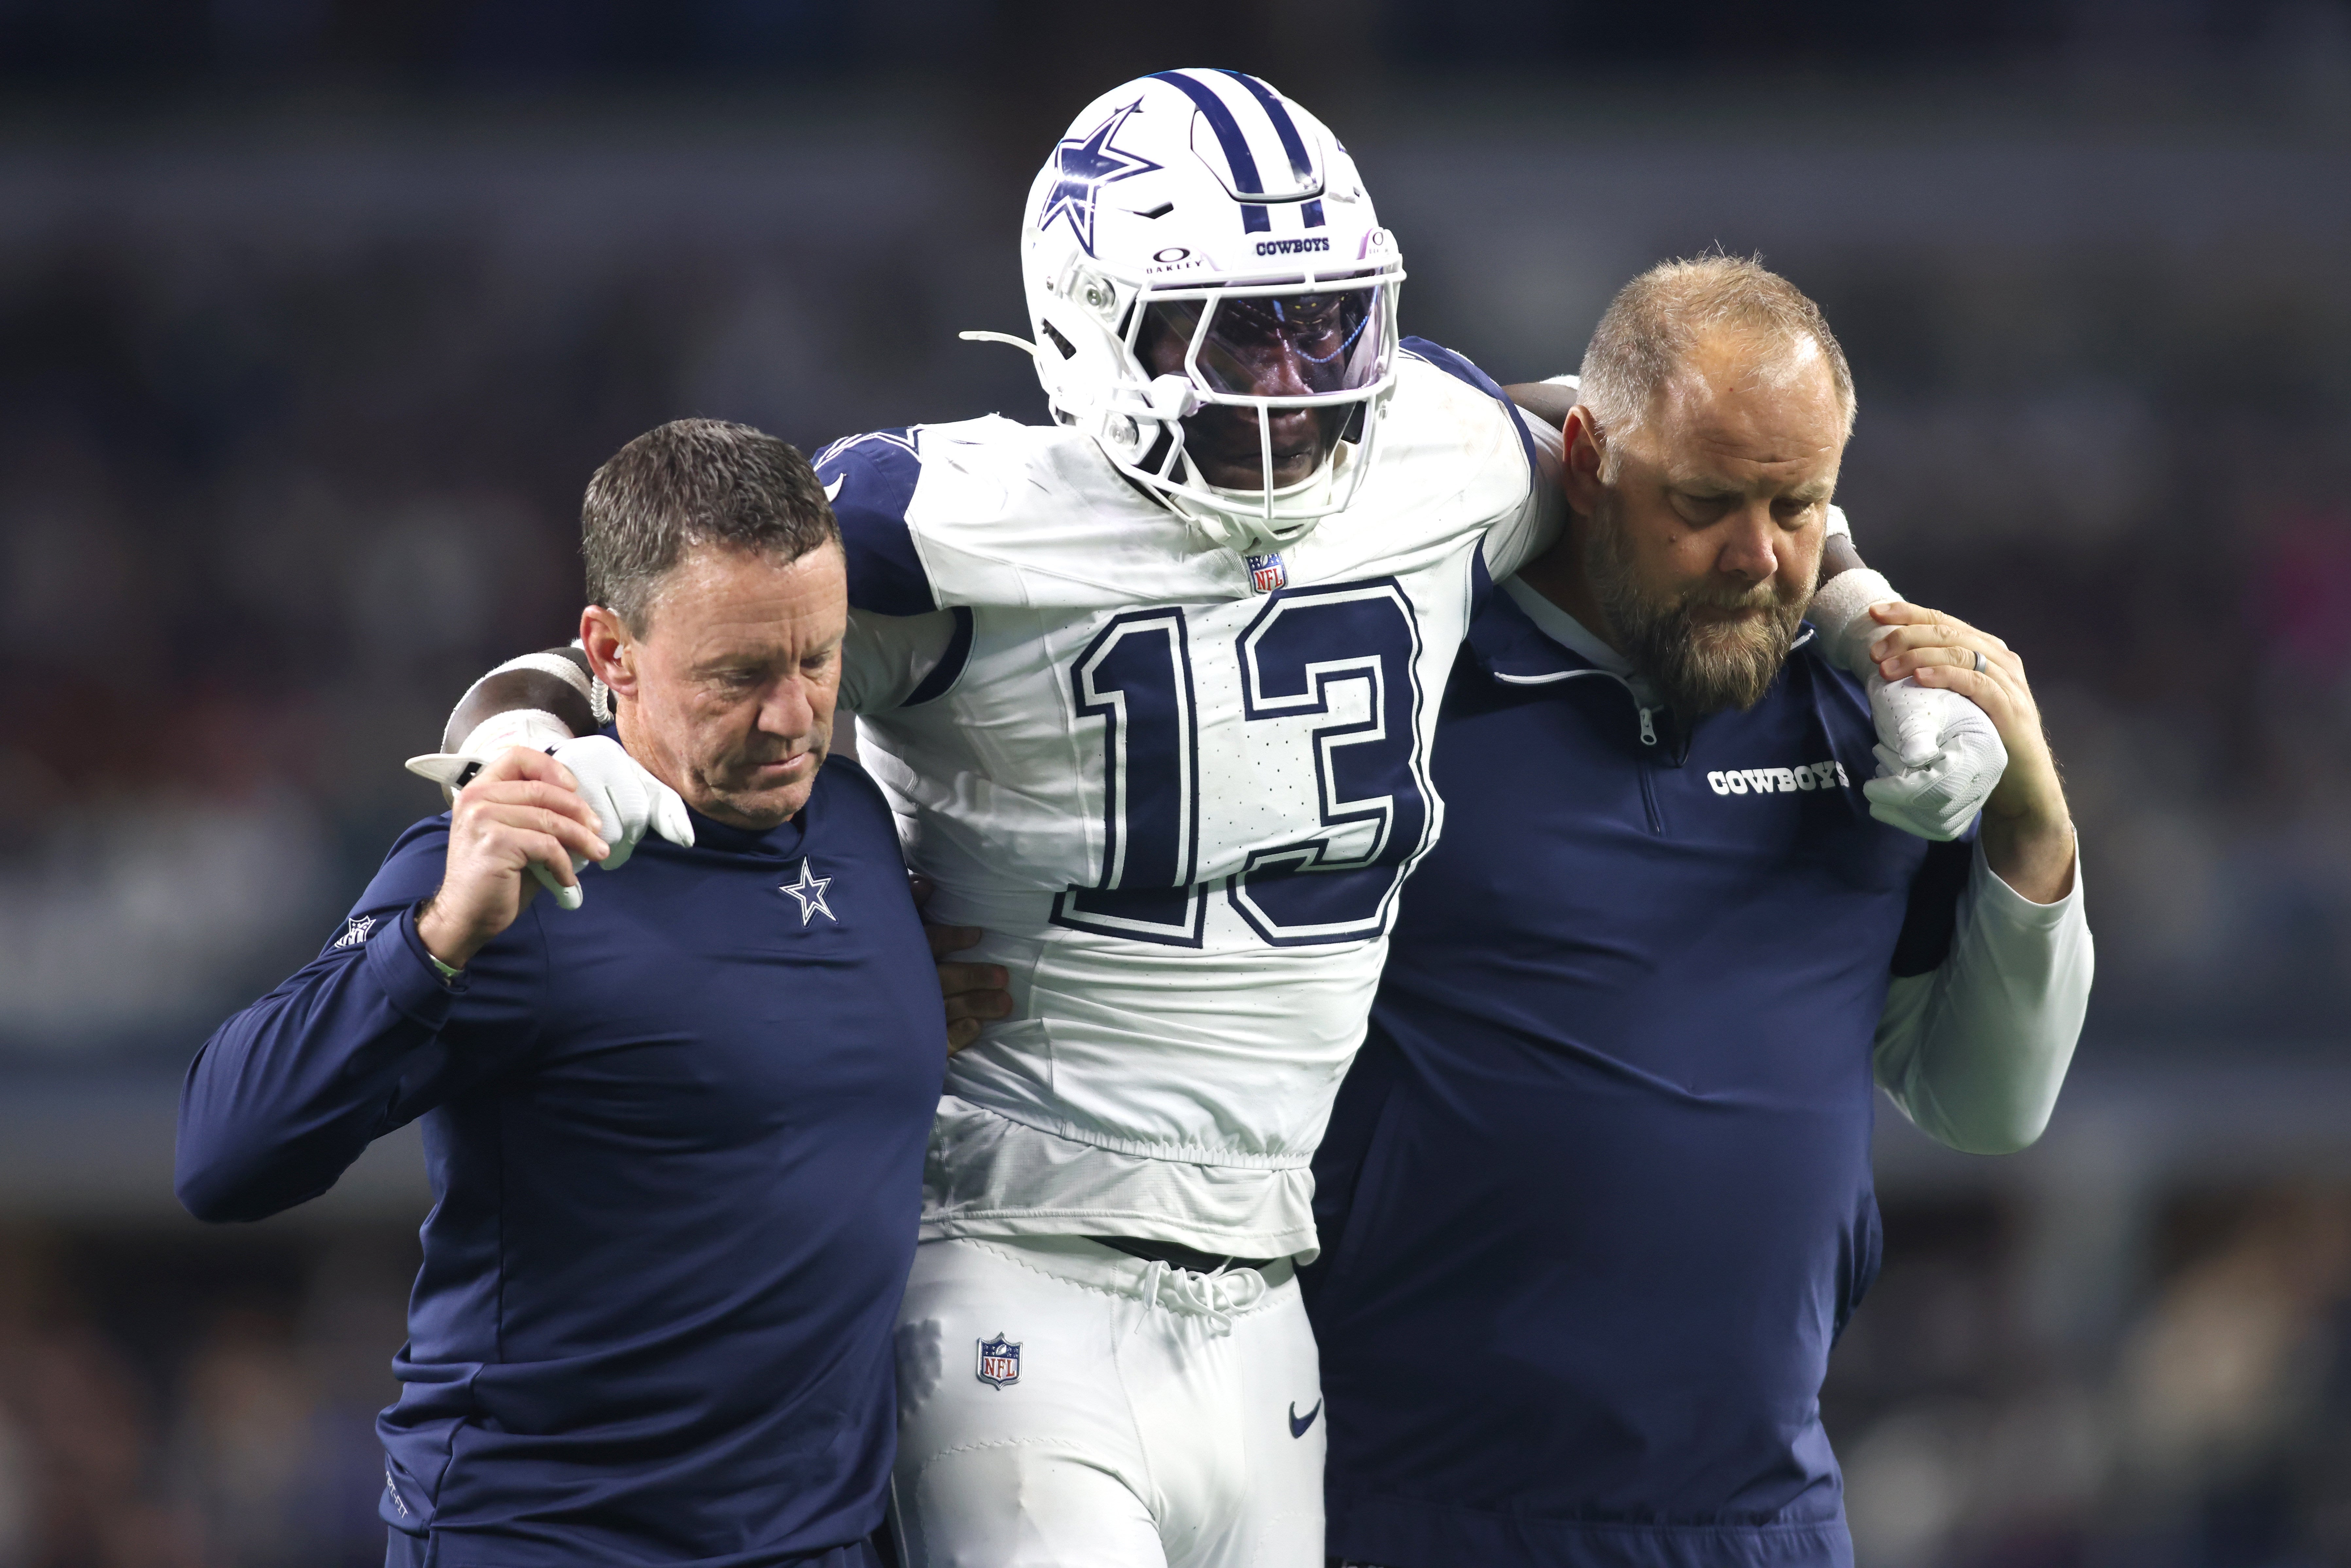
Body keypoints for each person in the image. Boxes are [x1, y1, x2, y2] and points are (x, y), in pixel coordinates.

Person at [424, 74, 1999, 1568]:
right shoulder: (949, 516)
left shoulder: (1437, 451)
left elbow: (1693, 452)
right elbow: (640, 652)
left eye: (1325, 322)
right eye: (1241, 337)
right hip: (1012, 1256)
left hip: (1267, 1295)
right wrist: (510, 743)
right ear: (1092, 326)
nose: (1299, 382)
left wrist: (1864, 619)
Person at [1300, 257, 2092, 1568]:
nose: (1757, 555)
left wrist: (2033, 819)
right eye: (1705, 502)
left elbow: (1988, 1105)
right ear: (1583, 458)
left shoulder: (1867, 729)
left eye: (1800, 506)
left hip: (1761, 1519)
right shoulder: (1408, 690)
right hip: (1410, 1509)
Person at [176, 421, 949, 1568]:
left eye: (820, 659)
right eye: (739, 675)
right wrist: (435, 937)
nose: (793, 715)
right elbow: (220, 1154)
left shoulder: (857, 822)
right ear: (613, 652)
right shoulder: (518, 859)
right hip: (549, 1542)